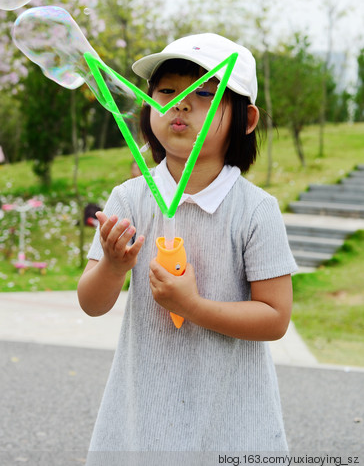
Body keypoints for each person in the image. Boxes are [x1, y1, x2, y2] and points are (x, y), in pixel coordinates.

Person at [77, 33, 297, 459]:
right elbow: (91, 302)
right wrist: (112, 266)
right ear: (147, 106)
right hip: (144, 421)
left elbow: (274, 317)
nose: (180, 104)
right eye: (167, 91)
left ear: (246, 119)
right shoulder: (129, 199)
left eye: (206, 94)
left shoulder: (256, 210)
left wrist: (193, 307)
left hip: (233, 422)